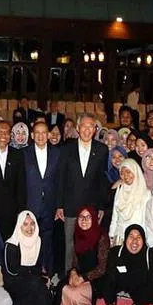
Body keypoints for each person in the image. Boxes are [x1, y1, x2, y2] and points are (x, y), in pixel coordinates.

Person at [55, 114, 110, 272]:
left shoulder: (102, 150)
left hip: (91, 206)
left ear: (95, 129)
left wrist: (101, 206)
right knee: (70, 244)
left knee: (90, 245)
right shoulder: (66, 149)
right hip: (70, 205)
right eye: (84, 126)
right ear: (78, 128)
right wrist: (59, 205)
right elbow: (61, 178)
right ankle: (68, 277)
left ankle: (87, 277)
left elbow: (102, 180)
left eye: (90, 126)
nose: (87, 130)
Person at [23, 119, 61, 272]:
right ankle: (31, 271)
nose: (40, 136)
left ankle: (48, 272)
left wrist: (59, 205)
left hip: (50, 205)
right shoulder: (23, 154)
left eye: (44, 133)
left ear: (49, 135)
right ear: (32, 135)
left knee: (48, 241)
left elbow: (60, 181)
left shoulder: (57, 153)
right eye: (37, 133)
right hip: (30, 205)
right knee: (29, 240)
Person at [58, 207, 109, 305]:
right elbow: (75, 259)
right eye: (81, 217)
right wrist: (73, 272)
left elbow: (102, 268)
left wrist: (83, 278)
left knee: (74, 294)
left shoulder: (101, 237)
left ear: (94, 219)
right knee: (63, 288)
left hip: (97, 278)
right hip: (81, 273)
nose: (84, 220)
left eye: (88, 217)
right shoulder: (77, 233)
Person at [3, 210, 53, 305]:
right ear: (19, 226)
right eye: (25, 224)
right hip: (14, 280)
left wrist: (44, 276)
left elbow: (38, 265)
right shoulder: (11, 245)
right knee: (37, 286)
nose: (30, 228)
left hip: (31, 276)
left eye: (32, 223)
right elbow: (12, 271)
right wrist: (36, 278)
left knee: (44, 291)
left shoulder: (38, 241)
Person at [109, 159, 150, 245]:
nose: (125, 175)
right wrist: (111, 235)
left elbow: (146, 221)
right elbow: (115, 215)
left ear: (135, 171)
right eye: (122, 173)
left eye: (128, 172)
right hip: (119, 236)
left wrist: (145, 239)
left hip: (136, 237)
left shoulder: (146, 193)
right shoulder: (120, 190)